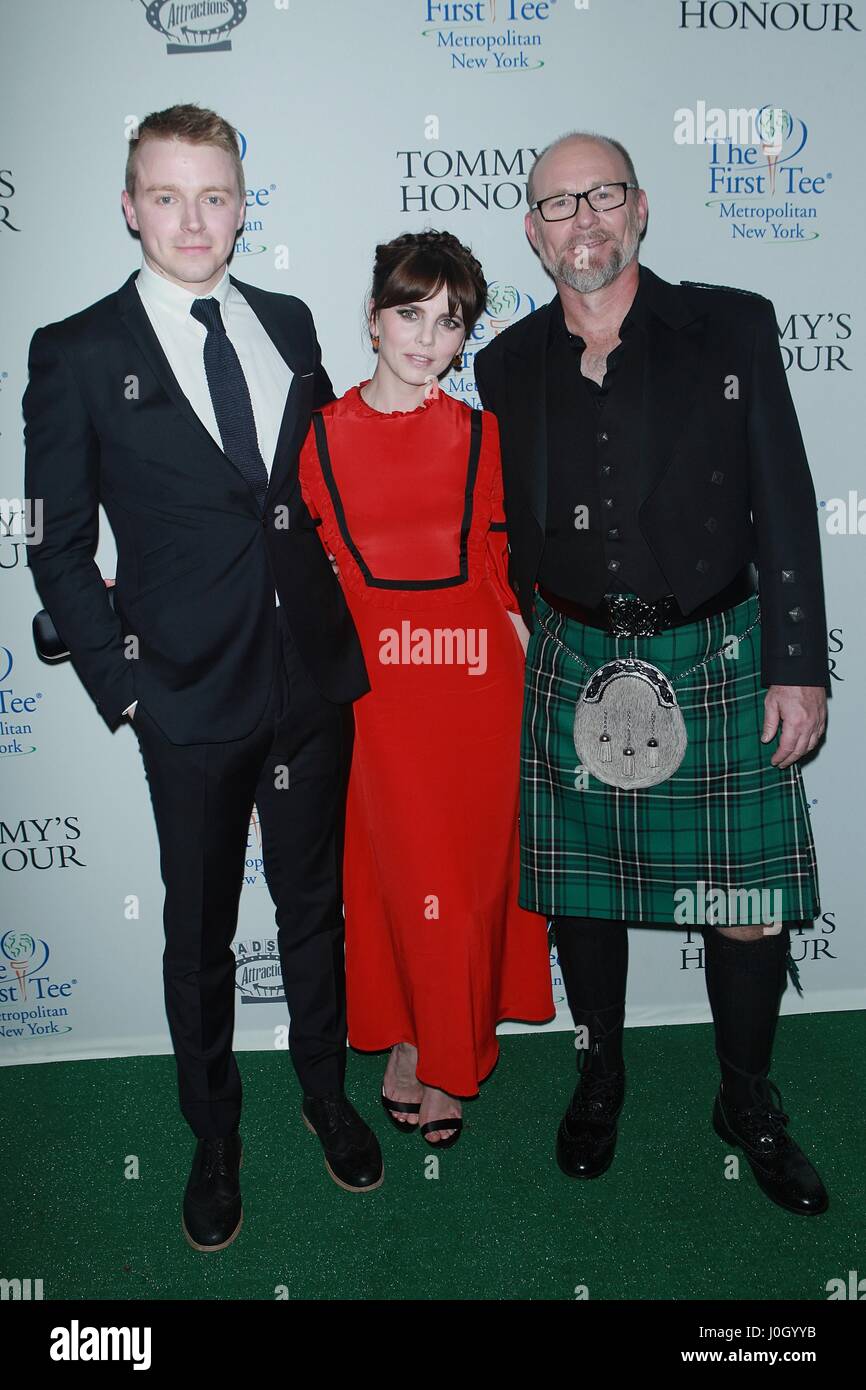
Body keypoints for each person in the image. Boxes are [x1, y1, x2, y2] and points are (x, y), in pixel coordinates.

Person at [22, 103, 383, 1253]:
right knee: (199, 934)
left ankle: (326, 1097)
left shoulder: (287, 319)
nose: (194, 218)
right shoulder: (76, 351)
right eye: (167, 196)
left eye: (215, 194)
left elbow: (315, 495)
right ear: (130, 207)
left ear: (242, 203)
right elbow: (55, 540)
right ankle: (213, 1136)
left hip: (311, 684)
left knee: (314, 911)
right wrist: (124, 688)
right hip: (184, 695)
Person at [473, 131, 830, 1213]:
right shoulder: (503, 363)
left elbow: (785, 499)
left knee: (744, 898)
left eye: (601, 197)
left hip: (716, 651)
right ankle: (600, 1069)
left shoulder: (728, 326)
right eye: (555, 205)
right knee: (584, 899)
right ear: (530, 233)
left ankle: (746, 1096)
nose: (580, 221)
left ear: (639, 209)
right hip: (572, 651)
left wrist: (796, 661)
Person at [298, 230, 554, 1147]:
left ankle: (446, 1051)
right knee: (398, 878)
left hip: (480, 693)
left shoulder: (486, 435)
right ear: (372, 318)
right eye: (409, 313)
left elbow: (500, 565)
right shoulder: (316, 440)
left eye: (449, 322)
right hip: (378, 696)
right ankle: (409, 1034)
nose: (426, 337)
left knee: (468, 881)